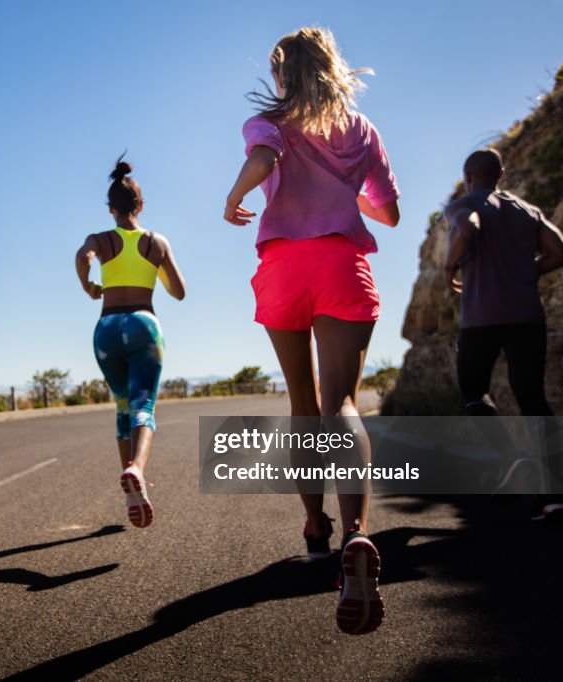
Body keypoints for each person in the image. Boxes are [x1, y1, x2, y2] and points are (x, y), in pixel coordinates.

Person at [223, 27, 400, 635]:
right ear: (333, 67)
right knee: (342, 403)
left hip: (283, 268)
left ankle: (316, 527)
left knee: (301, 402)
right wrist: (348, 198)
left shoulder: (269, 119)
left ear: (281, 74)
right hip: (342, 265)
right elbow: (390, 211)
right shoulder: (361, 129)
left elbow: (264, 158)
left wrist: (236, 193)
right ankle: (357, 534)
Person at [444, 148, 563, 521]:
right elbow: (560, 252)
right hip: (527, 316)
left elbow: (467, 227)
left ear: (469, 176)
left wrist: (450, 266)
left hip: (481, 318)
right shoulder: (526, 210)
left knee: (472, 389)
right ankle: (555, 497)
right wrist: (525, 272)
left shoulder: (463, 203)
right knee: (533, 398)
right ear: (501, 175)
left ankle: (511, 458)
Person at [75, 157, 185, 528]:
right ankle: (137, 468)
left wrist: (89, 285)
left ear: (110, 209)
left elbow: (82, 256)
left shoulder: (101, 239)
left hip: (106, 327)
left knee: (122, 407)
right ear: (141, 206)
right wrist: (157, 267)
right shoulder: (156, 242)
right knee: (143, 407)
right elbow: (179, 292)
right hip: (142, 323)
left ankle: (130, 488)